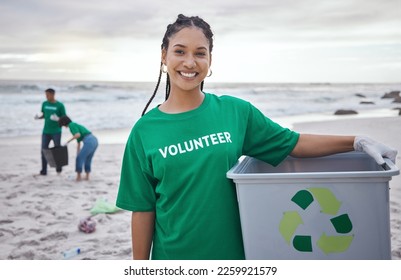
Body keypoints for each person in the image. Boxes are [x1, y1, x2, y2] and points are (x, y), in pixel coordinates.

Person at [116, 14, 398, 260]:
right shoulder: (145, 131)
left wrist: (355, 141)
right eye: (180, 51)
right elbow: (143, 209)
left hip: (237, 259)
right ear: (164, 56)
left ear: (210, 60)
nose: (190, 62)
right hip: (174, 262)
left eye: (200, 53)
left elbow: (293, 143)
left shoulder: (235, 112)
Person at [35, 88, 66, 175]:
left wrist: (58, 119)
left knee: (57, 150)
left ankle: (58, 169)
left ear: (53, 95)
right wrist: (38, 117)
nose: (46, 96)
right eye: (45, 95)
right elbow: (44, 115)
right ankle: (44, 171)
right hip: (46, 131)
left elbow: (65, 119)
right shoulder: (44, 104)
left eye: (48, 95)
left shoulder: (60, 105)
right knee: (43, 150)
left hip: (56, 131)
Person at [58, 116, 98, 181]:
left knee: (79, 159)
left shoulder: (71, 125)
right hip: (94, 140)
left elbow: (77, 135)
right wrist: (78, 153)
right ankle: (87, 177)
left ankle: (78, 177)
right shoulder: (75, 125)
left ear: (64, 122)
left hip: (89, 140)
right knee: (88, 158)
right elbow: (78, 142)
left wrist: (67, 142)